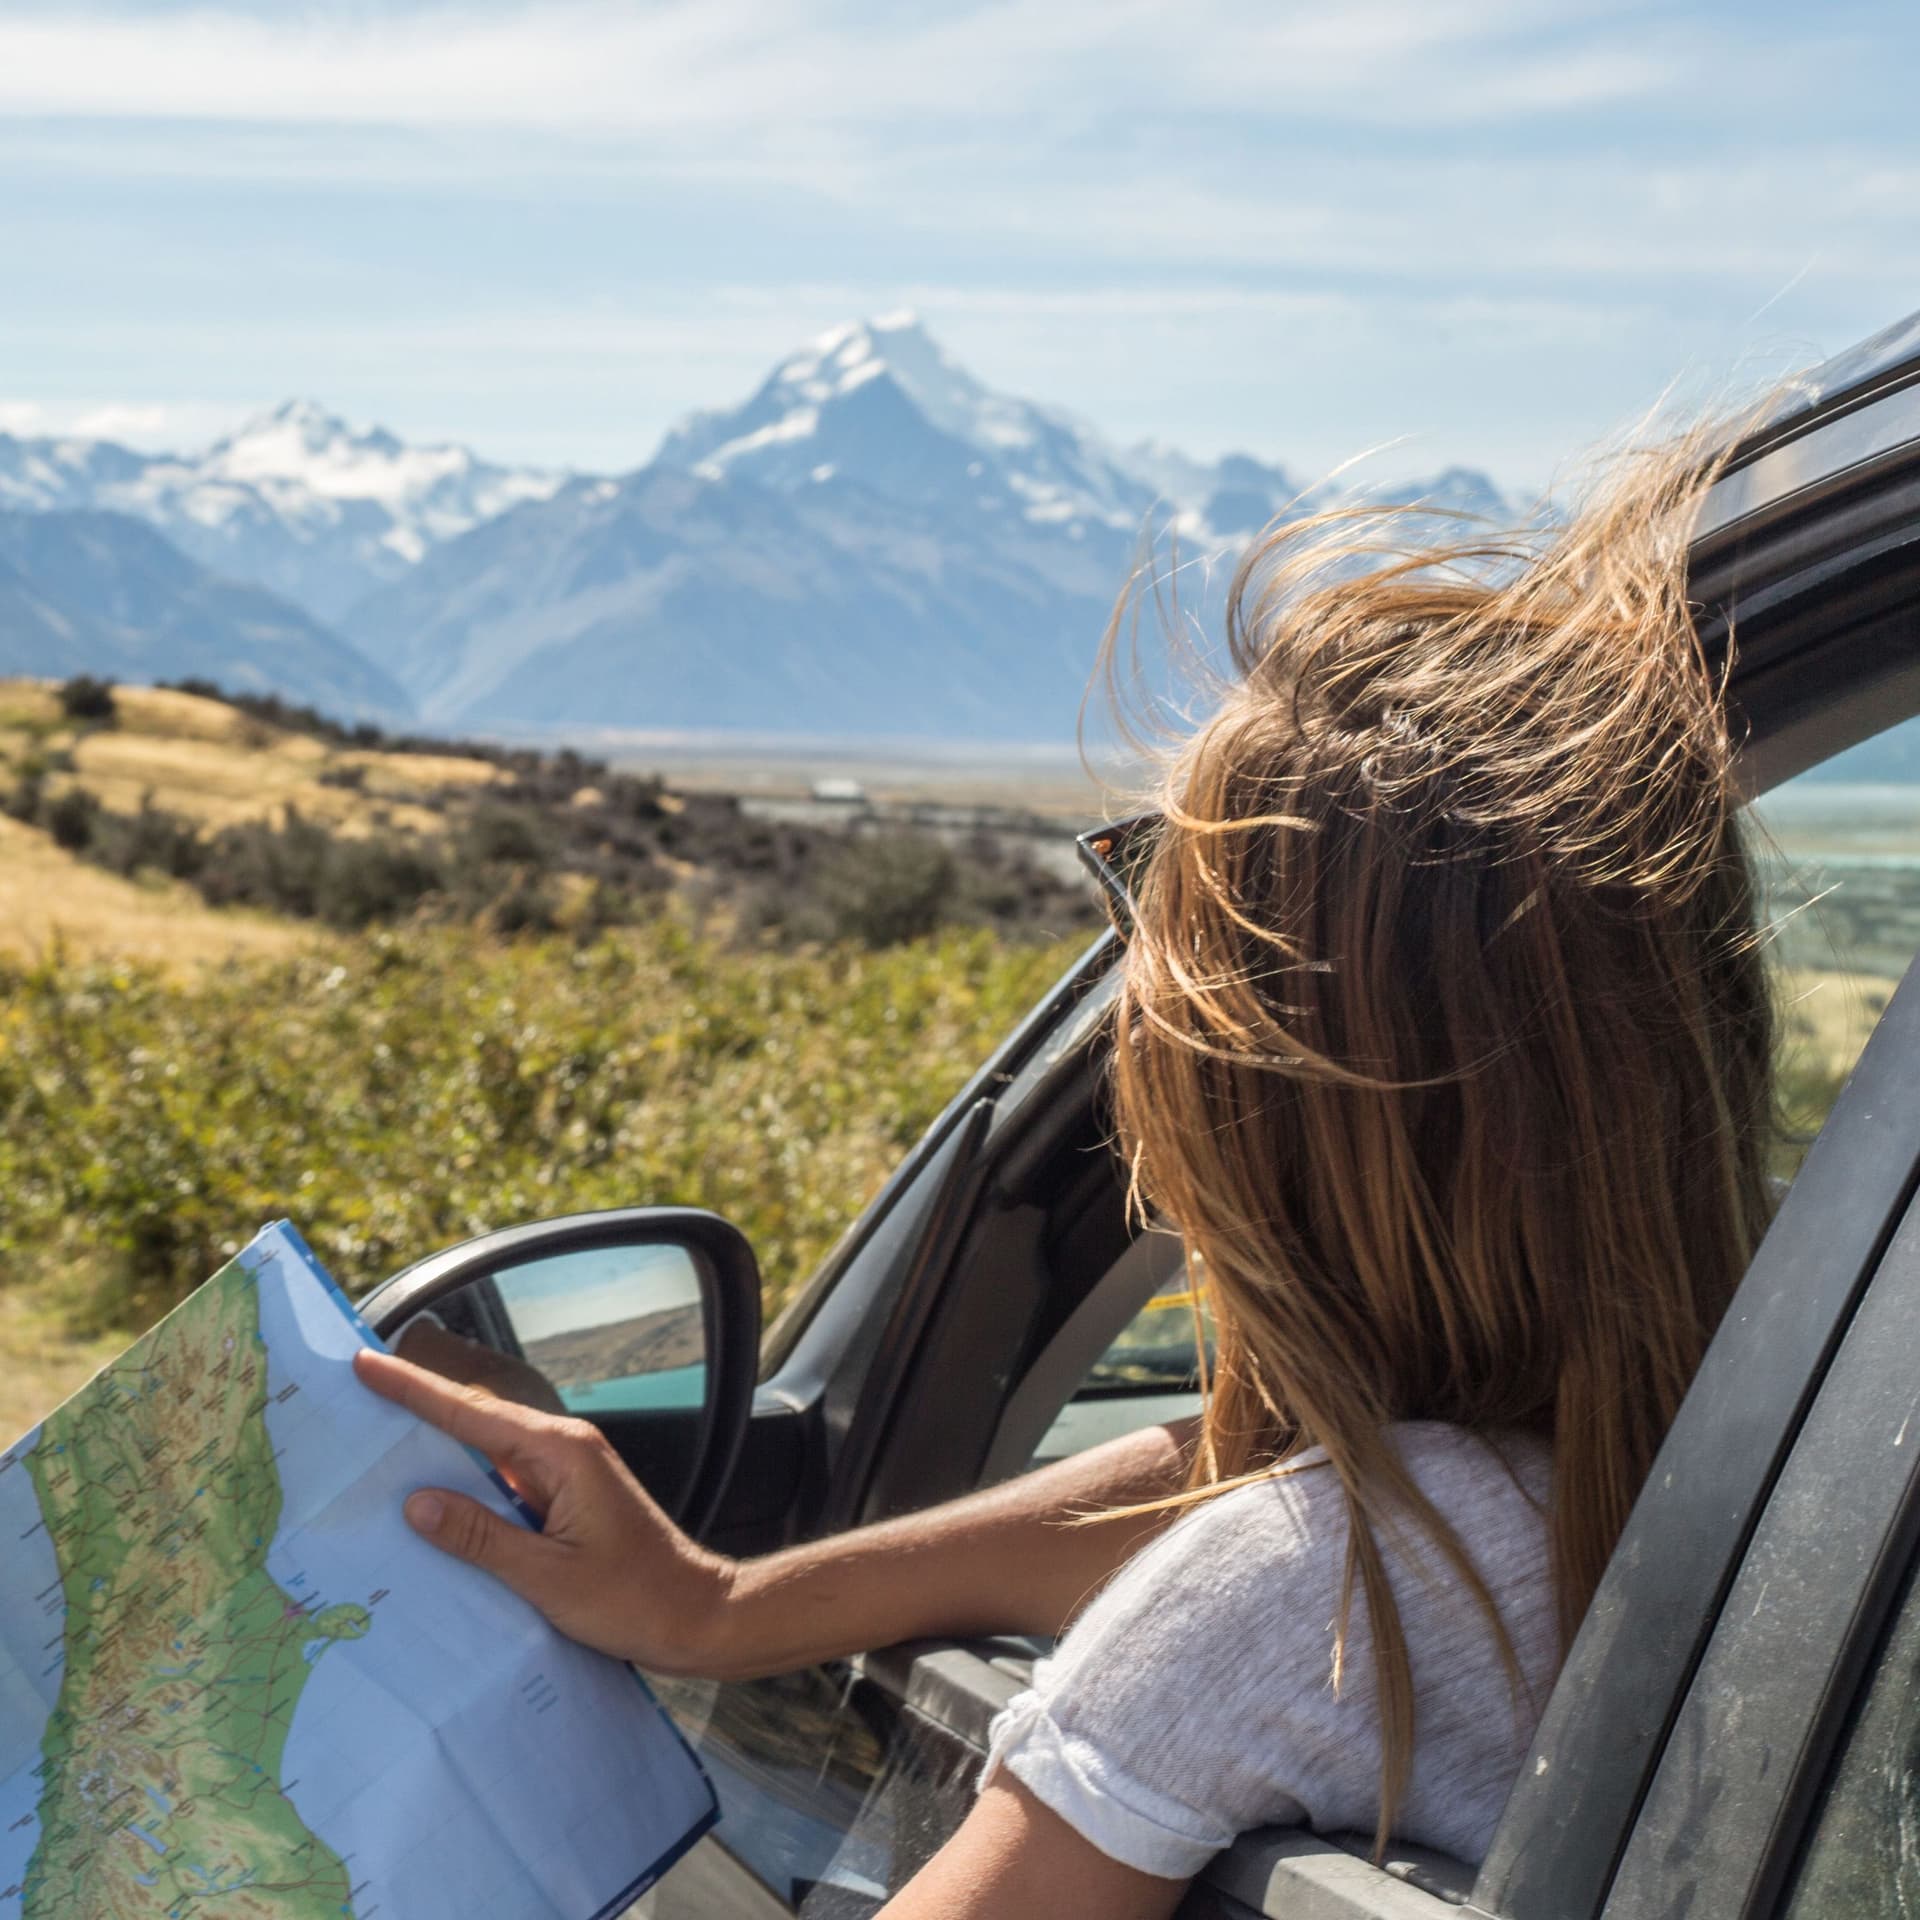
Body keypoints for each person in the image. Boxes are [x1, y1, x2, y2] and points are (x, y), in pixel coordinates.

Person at [355, 431, 1778, 1918]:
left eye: (1153, 919)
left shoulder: (1310, 1599)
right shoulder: (1724, 1479)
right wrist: (714, 1609)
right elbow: (1220, 1488)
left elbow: (1270, 1554)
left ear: (1253, 1099)